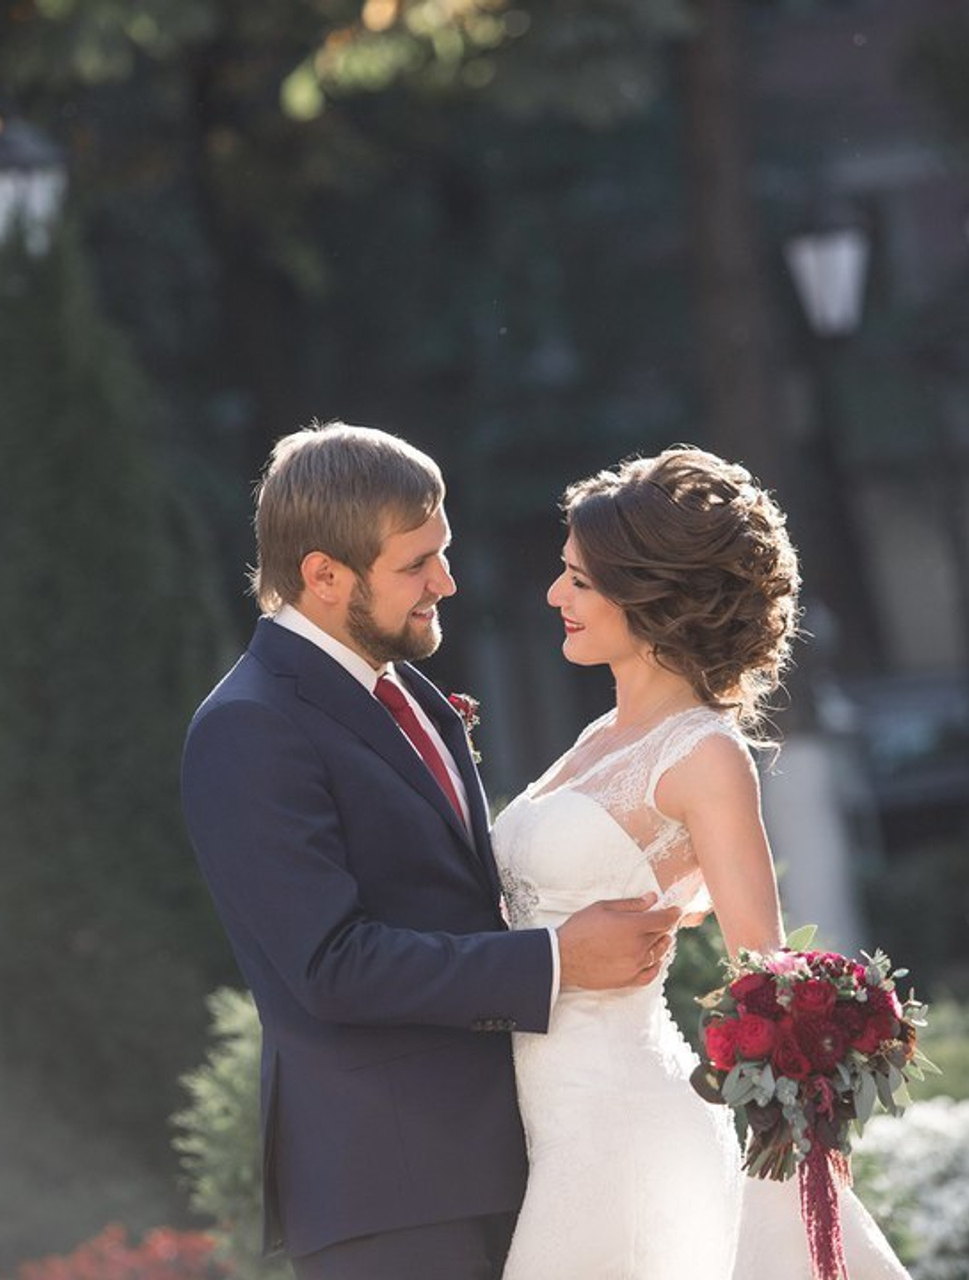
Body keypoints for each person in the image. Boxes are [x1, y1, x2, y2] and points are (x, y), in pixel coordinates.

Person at [180, 422, 681, 1280]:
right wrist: (555, 963)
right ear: (324, 575)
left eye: (441, 553)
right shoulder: (247, 728)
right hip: (392, 1193)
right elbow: (331, 966)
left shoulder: (407, 690)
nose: (445, 581)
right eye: (416, 564)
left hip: (514, 1156)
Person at [493, 446, 911, 1279]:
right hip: (537, 1110)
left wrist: (801, 1133)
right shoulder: (595, 741)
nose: (554, 596)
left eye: (578, 579)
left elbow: (768, 970)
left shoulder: (705, 756)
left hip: (615, 1124)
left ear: (648, 592)